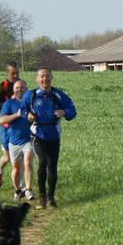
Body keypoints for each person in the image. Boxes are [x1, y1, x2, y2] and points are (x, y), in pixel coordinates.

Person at [27, 68, 76, 208]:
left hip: (54, 134)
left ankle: (51, 197)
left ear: (51, 78)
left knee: (52, 166)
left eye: (47, 77)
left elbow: (72, 110)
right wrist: (28, 116)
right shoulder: (31, 95)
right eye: (42, 77)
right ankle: (41, 197)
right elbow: (23, 109)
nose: (44, 79)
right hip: (37, 133)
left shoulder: (58, 95)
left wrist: (64, 112)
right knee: (42, 162)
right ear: (37, 79)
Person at [0, 79, 35, 201]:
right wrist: (17, 115)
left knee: (28, 161)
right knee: (16, 168)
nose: (20, 89)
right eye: (17, 87)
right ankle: (18, 190)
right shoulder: (8, 104)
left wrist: (33, 118)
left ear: (26, 89)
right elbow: (2, 120)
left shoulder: (31, 103)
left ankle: (28, 190)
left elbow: (37, 117)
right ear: (14, 90)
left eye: (22, 87)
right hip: (13, 141)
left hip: (28, 139)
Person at [0, 62, 22, 188]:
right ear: (7, 73)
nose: (15, 76)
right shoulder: (2, 86)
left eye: (17, 73)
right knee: (8, 157)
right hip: (5, 127)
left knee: (20, 157)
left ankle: (21, 187)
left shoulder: (21, 85)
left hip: (19, 126)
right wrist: (9, 102)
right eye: (12, 73)